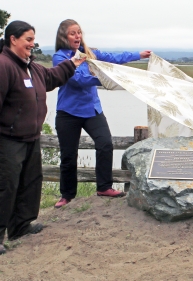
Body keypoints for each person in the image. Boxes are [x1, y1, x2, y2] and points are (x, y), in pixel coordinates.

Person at [0, 20, 86, 256]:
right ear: (13, 40)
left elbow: (52, 77)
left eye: (33, 40)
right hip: (5, 140)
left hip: (30, 138)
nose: (32, 44)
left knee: (30, 184)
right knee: (5, 188)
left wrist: (74, 62)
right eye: (28, 39)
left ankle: (20, 226)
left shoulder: (32, 67)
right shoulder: (0, 66)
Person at [52, 19, 151, 208]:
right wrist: (103, 79)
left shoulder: (90, 53)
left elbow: (113, 58)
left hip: (91, 109)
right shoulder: (60, 57)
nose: (77, 36)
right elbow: (78, 80)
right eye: (73, 33)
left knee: (105, 143)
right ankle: (67, 195)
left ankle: (104, 186)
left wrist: (138, 55)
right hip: (68, 112)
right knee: (68, 155)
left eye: (79, 32)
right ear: (63, 36)